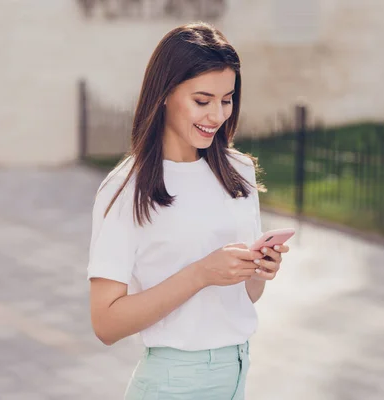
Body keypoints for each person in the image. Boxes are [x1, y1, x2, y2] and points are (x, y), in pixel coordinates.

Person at [87, 22, 290, 399]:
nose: (216, 115)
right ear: (165, 94)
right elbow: (105, 323)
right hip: (174, 382)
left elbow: (244, 298)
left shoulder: (238, 171)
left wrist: (259, 270)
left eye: (226, 99)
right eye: (202, 100)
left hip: (237, 371)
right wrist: (200, 274)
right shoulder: (126, 189)